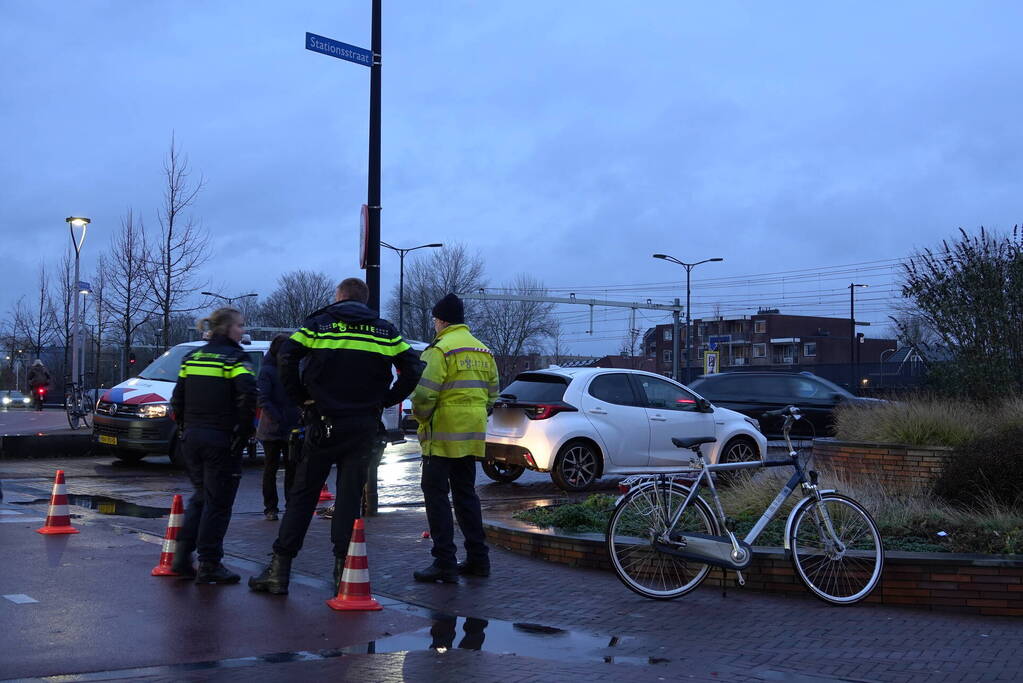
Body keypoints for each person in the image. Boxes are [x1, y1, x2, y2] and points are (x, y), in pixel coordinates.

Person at [249, 277, 423, 596]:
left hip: (323, 421)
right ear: (364, 300)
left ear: (339, 297)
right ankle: (344, 569)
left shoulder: (319, 325)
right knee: (349, 497)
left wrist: (301, 397)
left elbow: (286, 355)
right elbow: (413, 369)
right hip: (363, 423)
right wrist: (384, 399)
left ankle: (279, 569)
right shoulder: (385, 330)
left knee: (303, 495)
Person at [411, 293, 499, 584]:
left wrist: (422, 418)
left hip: (442, 437)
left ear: (442, 320)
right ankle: (478, 559)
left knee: (436, 496)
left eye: (435, 321)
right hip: (471, 437)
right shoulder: (484, 351)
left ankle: (444, 562)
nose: (434, 326)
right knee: (466, 495)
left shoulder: (440, 350)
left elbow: (424, 395)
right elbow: (492, 396)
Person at [170, 308, 257, 584]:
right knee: (218, 503)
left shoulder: (192, 357)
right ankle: (209, 563)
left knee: (202, 496)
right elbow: (248, 397)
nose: (242, 331)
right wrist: (242, 435)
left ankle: (182, 556)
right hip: (220, 440)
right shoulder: (235, 359)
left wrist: (185, 428)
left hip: (192, 438)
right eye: (240, 326)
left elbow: (177, 398)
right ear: (228, 328)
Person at [256, 334, 301, 521]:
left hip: (283, 425)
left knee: (288, 467)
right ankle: (272, 507)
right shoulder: (269, 370)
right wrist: (279, 417)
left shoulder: (279, 368)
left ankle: (283, 506)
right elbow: (264, 399)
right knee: (273, 468)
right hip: (275, 427)